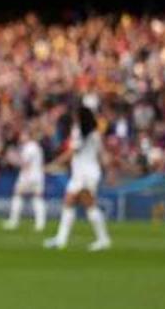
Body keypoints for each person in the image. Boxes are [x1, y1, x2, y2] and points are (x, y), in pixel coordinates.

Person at [44, 102, 112, 251]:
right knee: (68, 202)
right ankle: (61, 239)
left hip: (84, 173)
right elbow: (102, 154)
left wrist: (54, 164)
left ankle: (103, 239)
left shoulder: (79, 132)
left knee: (89, 205)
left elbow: (71, 152)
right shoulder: (95, 134)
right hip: (88, 172)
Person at [3, 124, 46, 232]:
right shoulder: (36, 147)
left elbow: (25, 164)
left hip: (29, 175)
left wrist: (12, 158)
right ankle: (40, 223)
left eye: (23, 135)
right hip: (38, 175)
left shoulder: (29, 147)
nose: (21, 137)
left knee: (18, 194)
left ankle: (14, 221)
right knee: (37, 198)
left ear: (28, 136)